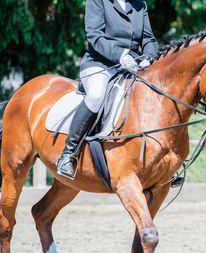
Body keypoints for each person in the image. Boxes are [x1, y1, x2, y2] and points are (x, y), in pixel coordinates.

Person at [57, 0, 159, 179]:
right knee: (96, 96)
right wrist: (121, 55)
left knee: (153, 95)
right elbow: (95, 37)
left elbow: (149, 39)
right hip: (100, 63)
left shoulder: (139, 5)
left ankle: (160, 162)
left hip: (132, 66)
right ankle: (68, 153)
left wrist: (148, 58)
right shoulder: (98, 1)